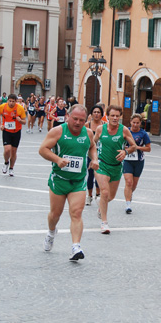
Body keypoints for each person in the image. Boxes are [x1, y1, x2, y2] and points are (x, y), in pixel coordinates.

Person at [38, 104, 100, 262]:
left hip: (78, 181)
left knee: (76, 213)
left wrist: (94, 159)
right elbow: (43, 149)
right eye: (75, 119)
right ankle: (51, 232)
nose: (78, 123)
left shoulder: (88, 133)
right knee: (55, 214)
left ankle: (76, 246)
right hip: (59, 180)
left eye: (82, 120)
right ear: (68, 116)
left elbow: (92, 147)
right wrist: (57, 159)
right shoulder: (58, 131)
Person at [94, 105, 137, 234]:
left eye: (117, 116)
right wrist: (93, 158)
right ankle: (104, 223)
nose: (115, 118)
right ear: (107, 116)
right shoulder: (101, 129)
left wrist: (126, 151)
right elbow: (92, 144)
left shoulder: (124, 130)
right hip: (102, 164)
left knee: (111, 197)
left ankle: (101, 207)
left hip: (116, 167)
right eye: (112, 115)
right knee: (105, 192)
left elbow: (134, 146)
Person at [123, 114, 151, 214]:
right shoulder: (126, 131)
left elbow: (148, 148)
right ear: (130, 122)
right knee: (128, 182)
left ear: (140, 123)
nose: (135, 125)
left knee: (133, 185)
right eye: (133, 122)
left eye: (137, 123)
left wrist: (137, 147)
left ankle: (129, 194)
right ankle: (127, 204)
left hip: (139, 161)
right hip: (127, 160)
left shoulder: (143, 134)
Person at [0, 94, 27, 176]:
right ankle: (6, 162)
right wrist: (0, 124)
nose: (11, 103)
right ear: (7, 101)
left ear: (16, 101)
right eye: (10, 101)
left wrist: (20, 120)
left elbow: (24, 121)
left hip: (16, 132)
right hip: (6, 131)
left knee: (13, 152)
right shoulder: (2, 107)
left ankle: (11, 168)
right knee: (7, 150)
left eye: (13, 101)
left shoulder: (20, 108)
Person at [85, 105, 105, 206]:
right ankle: (89, 196)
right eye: (95, 112)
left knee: (99, 175)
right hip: (89, 153)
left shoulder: (104, 125)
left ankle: (98, 194)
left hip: (101, 153)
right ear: (91, 114)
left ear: (102, 114)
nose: (96, 114)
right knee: (90, 175)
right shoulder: (87, 125)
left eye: (98, 112)